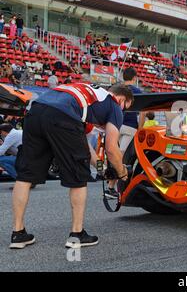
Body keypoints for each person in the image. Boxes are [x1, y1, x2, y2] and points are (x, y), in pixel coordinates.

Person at [10, 83, 134, 249]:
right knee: (78, 176)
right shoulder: (114, 105)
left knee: (25, 175)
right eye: (126, 107)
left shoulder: (87, 95)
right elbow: (112, 149)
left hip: (36, 111)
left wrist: (102, 169)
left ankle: (18, 234)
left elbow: (86, 149)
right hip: (63, 116)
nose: (123, 112)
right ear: (121, 99)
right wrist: (122, 171)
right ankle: (77, 234)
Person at [104, 68, 144, 199]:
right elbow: (143, 112)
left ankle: (111, 184)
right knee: (120, 157)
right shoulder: (137, 91)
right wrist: (140, 129)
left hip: (115, 124)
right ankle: (111, 187)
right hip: (130, 126)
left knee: (113, 154)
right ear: (134, 78)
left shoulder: (117, 89)